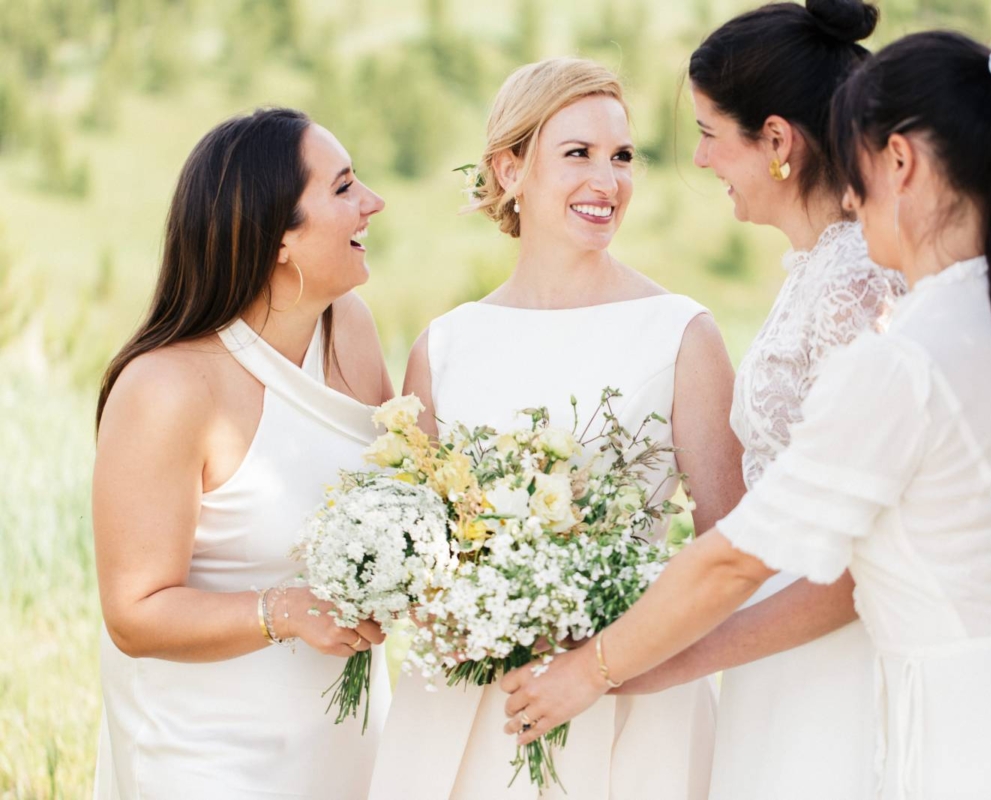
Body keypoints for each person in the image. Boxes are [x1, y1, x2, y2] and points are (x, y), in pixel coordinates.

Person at [499, 33, 991, 800]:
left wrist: (599, 669)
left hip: (973, 747)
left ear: (900, 163)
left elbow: (734, 560)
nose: (849, 195)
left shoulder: (903, 360)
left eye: (856, 167)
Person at [367, 57, 745, 800]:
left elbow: (728, 549)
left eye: (623, 157)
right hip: (469, 702)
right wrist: (475, 619)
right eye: (578, 154)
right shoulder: (444, 346)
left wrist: (604, 656)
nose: (608, 182)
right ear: (510, 169)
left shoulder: (681, 334)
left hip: (634, 706)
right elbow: (412, 550)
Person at [613, 3, 904, 797]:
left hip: (831, 655)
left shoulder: (855, 283)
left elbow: (861, 547)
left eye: (710, 132)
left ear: (776, 141)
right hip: (777, 642)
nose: (702, 159)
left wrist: (672, 652)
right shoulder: (818, 267)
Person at [92, 108, 394, 799]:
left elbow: (400, 498)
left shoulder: (347, 327)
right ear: (277, 237)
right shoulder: (166, 388)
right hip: (208, 754)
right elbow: (134, 613)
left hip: (344, 742)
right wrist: (286, 611)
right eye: (344, 188)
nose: (373, 202)